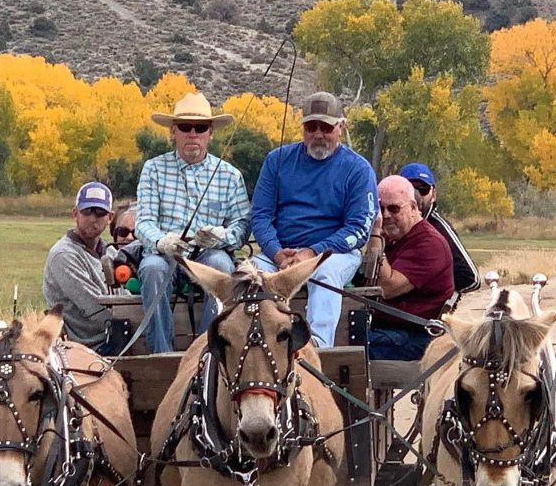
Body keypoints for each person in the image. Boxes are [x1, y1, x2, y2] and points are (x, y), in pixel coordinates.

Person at [250, 91, 377, 348]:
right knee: (248, 277)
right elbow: (260, 216)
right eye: (311, 126)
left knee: (325, 275)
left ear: (340, 127)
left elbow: (359, 228)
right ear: (303, 128)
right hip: (281, 253)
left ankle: (317, 347)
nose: (318, 134)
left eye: (326, 126)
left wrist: (313, 253)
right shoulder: (277, 161)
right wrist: (277, 254)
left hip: (333, 254)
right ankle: (253, 345)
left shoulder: (358, 169)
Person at [136, 92, 250, 353]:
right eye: (185, 127)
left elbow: (242, 225)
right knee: (151, 269)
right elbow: (144, 222)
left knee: (222, 264)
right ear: (173, 131)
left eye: (200, 128)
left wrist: (222, 236)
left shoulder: (230, 175)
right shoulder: (153, 169)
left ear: (210, 132)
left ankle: (205, 351)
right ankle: (161, 353)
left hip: (209, 253)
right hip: (165, 254)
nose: (193, 134)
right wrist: (161, 241)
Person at [366, 176, 454, 361]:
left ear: (413, 208)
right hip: (391, 329)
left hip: (416, 336)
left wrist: (374, 233)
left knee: (342, 344)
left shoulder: (429, 244)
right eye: (380, 209)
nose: (386, 216)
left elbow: (387, 288)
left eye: (394, 208)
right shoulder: (395, 237)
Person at [42, 181, 116, 351]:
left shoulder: (111, 253)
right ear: (75, 214)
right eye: (86, 211)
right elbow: (95, 310)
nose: (92, 219)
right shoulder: (63, 255)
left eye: (100, 213)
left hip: (114, 337)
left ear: (110, 218)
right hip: (85, 346)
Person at [398, 162, 480, 298]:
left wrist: (429, 290)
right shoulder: (391, 225)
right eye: (410, 190)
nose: (417, 195)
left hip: (419, 313)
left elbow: (471, 278)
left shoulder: (438, 227)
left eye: (423, 189)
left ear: (433, 194)